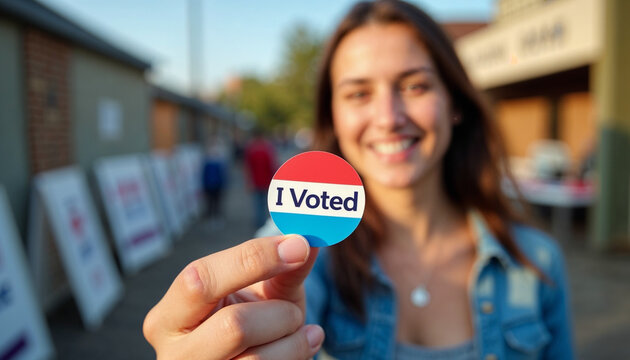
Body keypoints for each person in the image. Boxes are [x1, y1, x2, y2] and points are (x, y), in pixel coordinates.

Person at [143, 1, 574, 359]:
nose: (388, 118)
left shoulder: (537, 261)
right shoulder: (306, 244)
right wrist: (233, 329)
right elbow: (266, 289)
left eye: (415, 86)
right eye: (358, 93)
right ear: (334, 117)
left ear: (454, 104)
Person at [244, 128, 277, 229]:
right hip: (267, 181)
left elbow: (247, 167)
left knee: (257, 204)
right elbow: (273, 165)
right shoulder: (267, 149)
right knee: (266, 203)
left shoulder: (251, 149)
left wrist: (248, 182)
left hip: (256, 181)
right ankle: (264, 223)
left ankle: (259, 222)